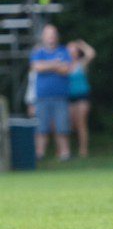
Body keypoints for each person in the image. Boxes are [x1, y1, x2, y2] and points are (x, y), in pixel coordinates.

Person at [30, 24, 72, 161]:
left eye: (53, 34)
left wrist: (47, 65)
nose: (51, 37)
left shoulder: (64, 51)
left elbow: (66, 69)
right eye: (48, 34)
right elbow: (37, 67)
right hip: (42, 97)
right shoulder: (38, 52)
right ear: (43, 37)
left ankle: (65, 154)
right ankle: (39, 154)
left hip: (61, 97)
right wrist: (56, 64)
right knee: (41, 128)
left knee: (62, 127)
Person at [67, 39, 96, 158]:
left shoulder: (81, 64)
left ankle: (83, 150)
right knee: (71, 124)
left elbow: (91, 53)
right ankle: (68, 150)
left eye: (74, 50)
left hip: (82, 97)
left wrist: (82, 44)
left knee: (81, 123)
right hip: (69, 97)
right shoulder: (65, 65)